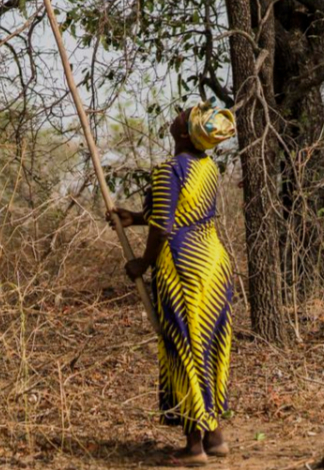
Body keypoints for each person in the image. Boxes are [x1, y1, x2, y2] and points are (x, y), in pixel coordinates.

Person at [106, 103, 237, 467]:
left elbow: (164, 227)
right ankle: (215, 436)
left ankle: (193, 447)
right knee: (209, 345)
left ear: (183, 133)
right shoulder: (207, 166)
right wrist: (134, 218)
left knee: (184, 346)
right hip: (213, 262)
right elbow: (182, 210)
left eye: (184, 116)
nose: (180, 115)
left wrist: (141, 264)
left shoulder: (167, 170)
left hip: (183, 267)